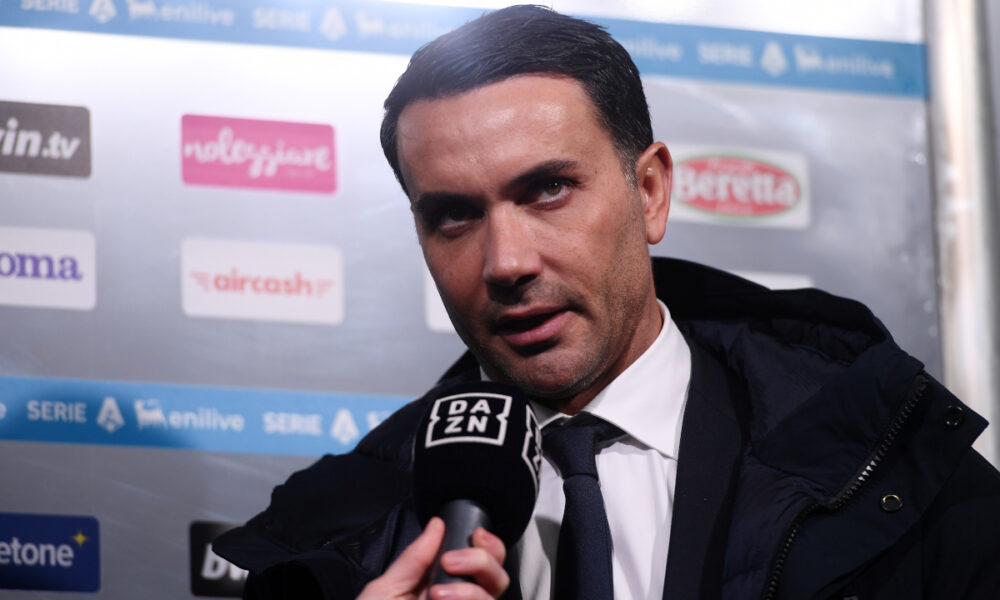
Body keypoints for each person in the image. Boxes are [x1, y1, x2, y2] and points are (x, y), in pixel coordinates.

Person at [214, 5, 1000, 599]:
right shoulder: (332, 544)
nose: (506, 262)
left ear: (650, 190)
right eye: (453, 213)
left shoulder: (898, 474)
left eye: (548, 189)